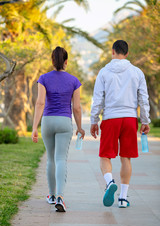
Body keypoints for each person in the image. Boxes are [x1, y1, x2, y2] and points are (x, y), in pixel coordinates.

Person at [90, 40, 150, 208]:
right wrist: (145, 121)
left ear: (112, 52)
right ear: (127, 53)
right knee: (126, 158)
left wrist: (94, 120)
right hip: (130, 118)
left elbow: (98, 100)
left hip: (110, 118)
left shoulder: (103, 72)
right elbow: (143, 99)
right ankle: (123, 198)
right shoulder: (137, 72)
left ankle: (110, 183)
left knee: (105, 156)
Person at [32, 46, 85, 212]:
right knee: (61, 159)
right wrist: (80, 127)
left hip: (48, 121)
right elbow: (76, 108)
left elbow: (40, 103)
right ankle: (60, 197)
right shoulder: (74, 81)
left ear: (52, 61)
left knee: (51, 159)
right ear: (66, 62)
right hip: (64, 121)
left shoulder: (43, 78)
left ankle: (52, 195)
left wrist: (34, 127)